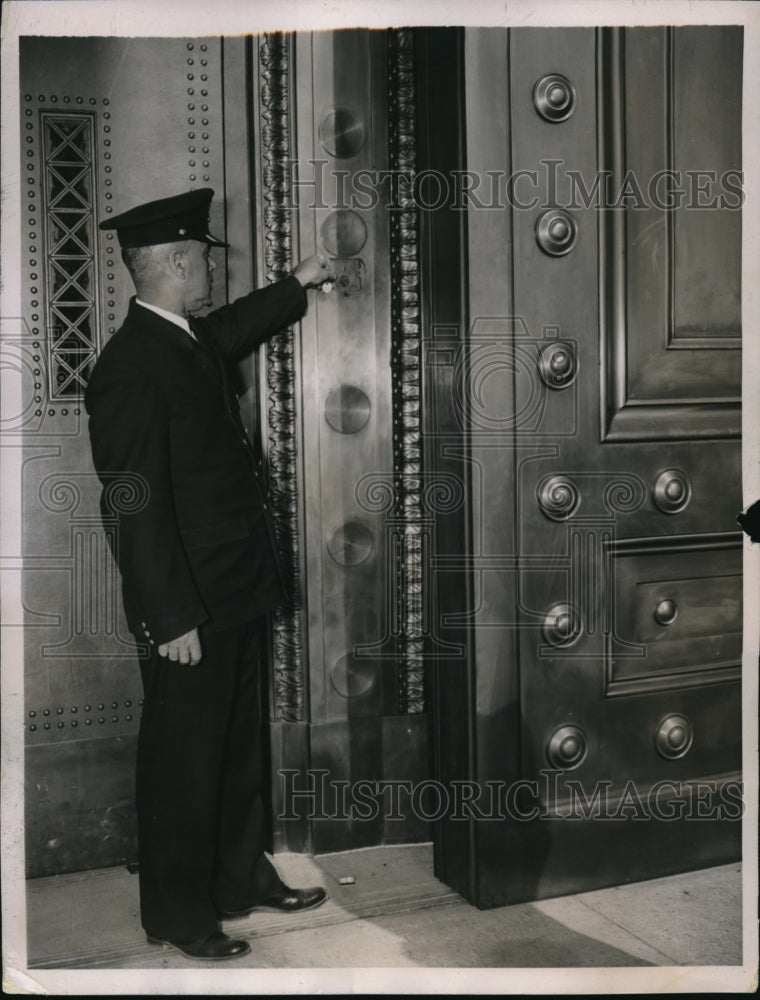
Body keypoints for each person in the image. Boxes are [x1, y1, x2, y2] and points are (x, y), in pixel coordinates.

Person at [85, 188, 334, 961]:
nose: (209, 273)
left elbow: (231, 330)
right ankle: (177, 909)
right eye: (201, 260)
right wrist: (172, 616)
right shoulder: (129, 367)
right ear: (175, 263)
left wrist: (300, 283)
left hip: (232, 587)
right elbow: (133, 507)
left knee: (233, 744)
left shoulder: (183, 339)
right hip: (188, 602)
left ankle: (236, 877)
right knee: (183, 758)